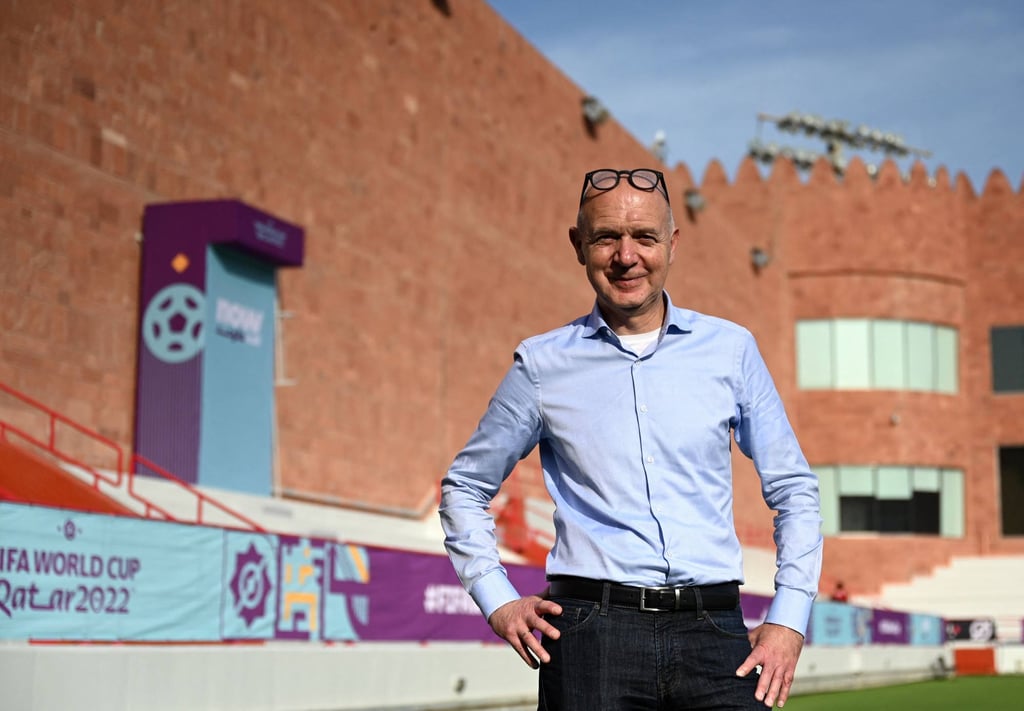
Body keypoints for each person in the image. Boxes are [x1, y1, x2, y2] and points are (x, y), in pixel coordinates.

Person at [439, 168, 822, 710]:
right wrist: (497, 600)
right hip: (592, 639)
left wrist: (789, 618)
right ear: (578, 246)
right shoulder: (543, 364)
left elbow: (793, 488)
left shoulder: (731, 351)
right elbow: (464, 487)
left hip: (715, 635)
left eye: (644, 236)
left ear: (672, 243)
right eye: (605, 238)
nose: (626, 256)